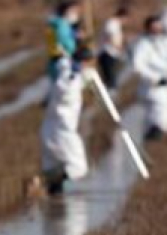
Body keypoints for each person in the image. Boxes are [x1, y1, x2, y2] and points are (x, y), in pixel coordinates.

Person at [40, 48, 97, 196]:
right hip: (63, 131)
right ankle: (41, 185)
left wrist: (82, 79)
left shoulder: (66, 72)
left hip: (52, 128)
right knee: (78, 167)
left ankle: (51, 196)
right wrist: (80, 78)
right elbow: (65, 92)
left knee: (53, 169)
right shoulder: (68, 77)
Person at [132, 13, 167, 141]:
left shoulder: (163, 41)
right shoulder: (143, 44)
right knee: (158, 117)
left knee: (160, 115)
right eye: (154, 28)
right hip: (152, 86)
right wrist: (154, 78)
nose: (157, 31)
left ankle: (152, 138)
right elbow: (137, 66)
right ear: (148, 29)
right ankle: (152, 138)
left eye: (159, 28)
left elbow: (166, 62)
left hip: (165, 84)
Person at [47, 1, 82, 81]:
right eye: (73, 11)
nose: (76, 14)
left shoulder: (56, 24)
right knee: (69, 89)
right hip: (63, 61)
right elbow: (67, 44)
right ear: (66, 11)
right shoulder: (62, 25)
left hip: (57, 61)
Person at [98, 6, 129, 92]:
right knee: (110, 80)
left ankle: (112, 92)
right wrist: (121, 48)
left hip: (113, 54)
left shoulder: (116, 24)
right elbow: (112, 38)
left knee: (113, 78)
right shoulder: (112, 23)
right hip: (107, 53)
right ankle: (110, 94)